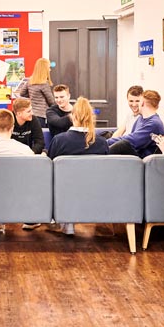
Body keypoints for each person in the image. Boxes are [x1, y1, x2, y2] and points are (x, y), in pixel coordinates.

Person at [47, 97, 108, 235]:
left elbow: (48, 169)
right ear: (91, 117)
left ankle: (64, 220)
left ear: (72, 116)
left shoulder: (59, 140)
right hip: (93, 192)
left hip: (63, 192)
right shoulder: (101, 142)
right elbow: (105, 173)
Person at [106, 89, 164, 158]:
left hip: (142, 158)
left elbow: (132, 141)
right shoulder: (140, 118)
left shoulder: (154, 123)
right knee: (103, 136)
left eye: (138, 101)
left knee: (123, 145)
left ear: (142, 103)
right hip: (135, 153)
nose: (135, 104)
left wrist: (105, 143)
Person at [15, 58, 56, 127]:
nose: (50, 70)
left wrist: (32, 95)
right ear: (44, 69)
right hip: (41, 116)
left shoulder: (30, 81)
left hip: (31, 114)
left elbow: (22, 93)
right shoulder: (44, 83)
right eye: (48, 68)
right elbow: (51, 101)